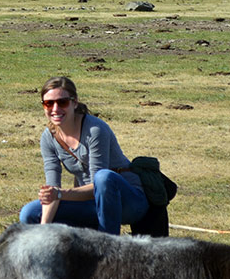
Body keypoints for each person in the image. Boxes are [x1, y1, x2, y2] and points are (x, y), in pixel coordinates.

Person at [18, 76, 148, 235]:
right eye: (48, 103)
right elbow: (52, 190)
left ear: (75, 102)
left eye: (62, 102)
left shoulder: (95, 130)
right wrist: (43, 229)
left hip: (128, 203)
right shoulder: (48, 137)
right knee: (30, 213)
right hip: (90, 204)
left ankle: (107, 244)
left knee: (103, 177)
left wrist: (60, 194)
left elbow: (97, 186)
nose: (55, 109)